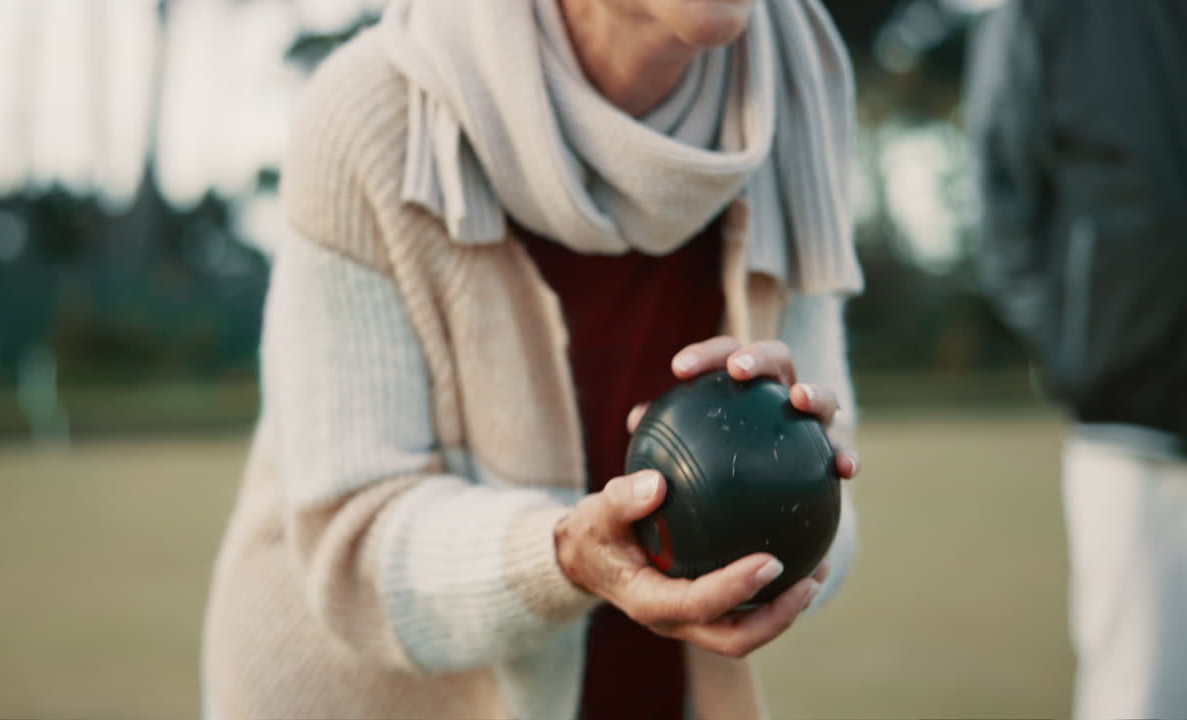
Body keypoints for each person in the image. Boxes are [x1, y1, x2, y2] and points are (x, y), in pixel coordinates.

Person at [202, 0, 864, 717]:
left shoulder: (792, 88)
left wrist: (793, 499)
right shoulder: (373, 111)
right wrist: (564, 555)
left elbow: (837, 512)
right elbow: (352, 548)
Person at [966, 3, 1187, 719]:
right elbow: (1001, 197)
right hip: (1130, 423)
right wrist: (1081, 344)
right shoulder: (1045, 15)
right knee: (1138, 693)